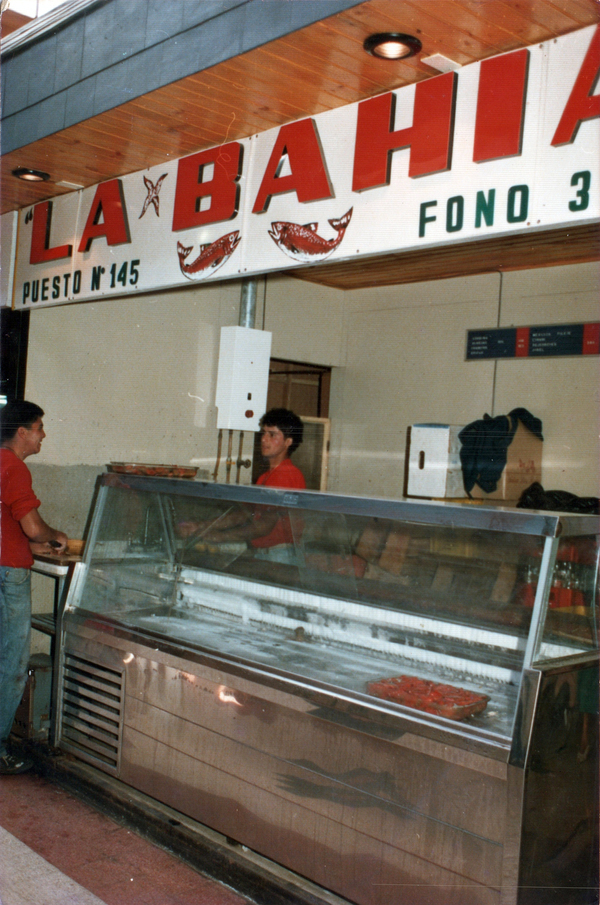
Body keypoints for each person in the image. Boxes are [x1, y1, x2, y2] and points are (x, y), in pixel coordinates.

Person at [0, 401, 68, 775]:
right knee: (11, 665)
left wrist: (31, 543)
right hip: (8, 577)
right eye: (39, 427)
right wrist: (52, 536)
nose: (43, 435)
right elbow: (30, 525)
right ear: (22, 432)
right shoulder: (14, 466)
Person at [178, 408, 305, 557]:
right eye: (263, 433)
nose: (264, 439)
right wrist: (201, 526)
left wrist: (221, 536)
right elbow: (244, 515)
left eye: (272, 435)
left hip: (280, 554)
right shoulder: (266, 476)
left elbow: (265, 526)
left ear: (288, 442)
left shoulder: (285, 474)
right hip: (265, 552)